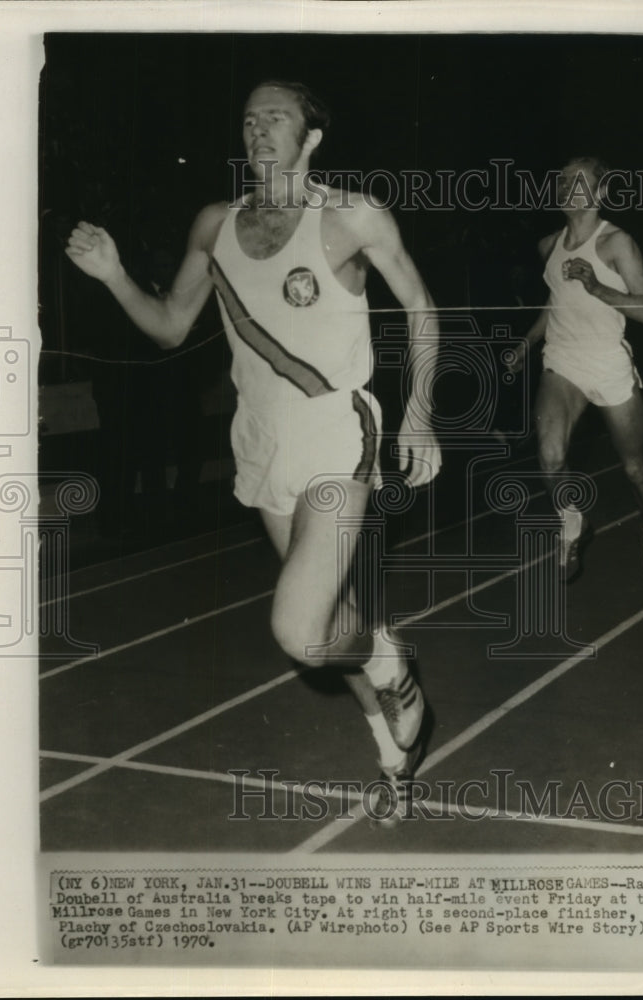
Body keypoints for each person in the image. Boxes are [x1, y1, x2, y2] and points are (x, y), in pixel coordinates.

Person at [66, 80, 442, 819]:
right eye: (248, 120)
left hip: (336, 430)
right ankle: (391, 751)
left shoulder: (351, 215)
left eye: (276, 118)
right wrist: (113, 277)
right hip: (260, 438)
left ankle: (388, 659)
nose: (258, 129)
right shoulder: (216, 224)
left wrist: (421, 416)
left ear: (312, 137)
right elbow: (171, 327)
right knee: (333, 621)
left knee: (300, 630)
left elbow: (421, 308)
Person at [508, 156, 643, 588]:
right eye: (561, 180)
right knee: (550, 454)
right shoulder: (547, 245)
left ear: (600, 193)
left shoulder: (617, 243)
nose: (565, 187)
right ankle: (572, 518)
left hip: (608, 362)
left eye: (577, 181)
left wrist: (596, 286)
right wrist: (526, 343)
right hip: (563, 360)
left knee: (636, 470)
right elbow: (556, 303)